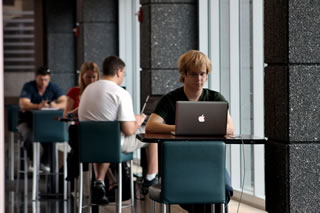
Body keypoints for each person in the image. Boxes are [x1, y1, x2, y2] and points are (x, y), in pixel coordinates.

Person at [145, 50, 235, 213]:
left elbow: (230, 128)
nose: (199, 79)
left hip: (210, 162)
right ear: (184, 74)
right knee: (200, 194)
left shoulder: (216, 98)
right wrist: (179, 128)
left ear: (207, 75)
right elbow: (151, 126)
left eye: (202, 74)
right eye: (193, 74)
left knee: (225, 188)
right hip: (179, 164)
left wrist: (197, 127)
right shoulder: (170, 99)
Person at [78, 56, 158, 205]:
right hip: (113, 146)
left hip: (89, 146)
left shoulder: (88, 90)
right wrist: (138, 120)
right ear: (119, 72)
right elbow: (129, 130)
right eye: (124, 73)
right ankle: (150, 178)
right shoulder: (120, 93)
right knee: (151, 132)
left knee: (105, 137)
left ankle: (100, 182)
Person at [17, 67, 67, 172]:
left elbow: (65, 102)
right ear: (36, 78)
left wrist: (55, 105)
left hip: (45, 124)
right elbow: (23, 104)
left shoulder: (53, 87)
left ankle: (44, 162)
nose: (43, 82)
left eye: (46, 80)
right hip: (27, 122)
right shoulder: (29, 87)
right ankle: (33, 162)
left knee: (51, 138)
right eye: (41, 80)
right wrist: (38, 106)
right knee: (28, 137)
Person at [64, 62, 100, 182]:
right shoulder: (75, 92)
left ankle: (100, 182)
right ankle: (102, 181)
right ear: (82, 77)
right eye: (88, 77)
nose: (91, 80)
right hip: (81, 131)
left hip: (98, 130)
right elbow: (66, 115)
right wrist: (80, 109)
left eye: (94, 77)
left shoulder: (101, 93)